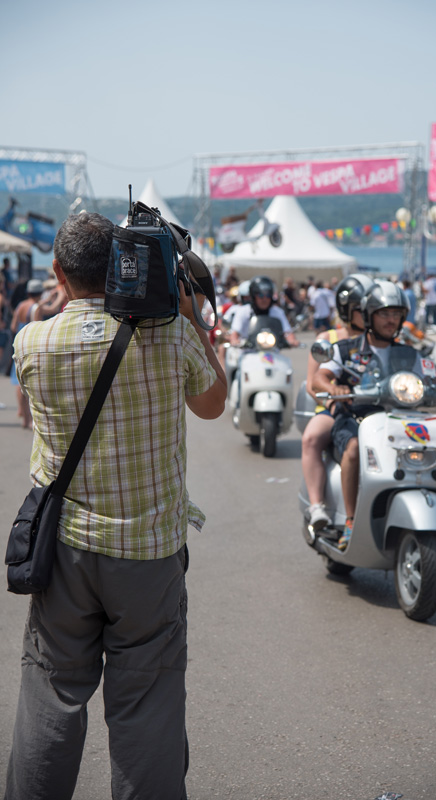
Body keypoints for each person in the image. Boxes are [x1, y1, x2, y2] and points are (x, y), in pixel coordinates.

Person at [5, 212, 227, 800]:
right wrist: (190, 316)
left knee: (52, 693)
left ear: (57, 271)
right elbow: (212, 406)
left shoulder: (30, 343)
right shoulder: (171, 335)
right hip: (149, 556)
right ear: (126, 266)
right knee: (148, 705)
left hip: (64, 554)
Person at [312, 281, 436, 551]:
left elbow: (435, 376)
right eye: (384, 313)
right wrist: (334, 387)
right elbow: (319, 378)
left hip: (398, 418)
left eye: (396, 314)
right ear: (369, 315)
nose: (391, 320)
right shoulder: (346, 349)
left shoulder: (410, 353)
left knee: (434, 441)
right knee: (354, 449)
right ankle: (350, 519)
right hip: (355, 417)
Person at [302, 274, 374, 530]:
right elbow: (313, 383)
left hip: (373, 408)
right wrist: (334, 398)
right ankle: (317, 505)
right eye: (360, 309)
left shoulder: (376, 339)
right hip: (334, 408)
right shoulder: (328, 338)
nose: (367, 314)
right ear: (346, 309)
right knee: (311, 438)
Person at [10, 278, 44, 429]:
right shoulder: (36, 307)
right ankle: (30, 420)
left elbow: (13, 326)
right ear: (40, 293)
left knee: (18, 381)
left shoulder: (20, 305)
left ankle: (23, 417)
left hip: (18, 343)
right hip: (30, 344)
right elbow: (37, 329)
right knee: (29, 382)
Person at [230, 274, 299, 347]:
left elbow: (287, 332)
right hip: (247, 351)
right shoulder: (243, 311)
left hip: (272, 352)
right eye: (261, 295)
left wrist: (292, 340)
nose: (264, 299)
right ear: (253, 296)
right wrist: (235, 340)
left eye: (268, 295)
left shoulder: (277, 312)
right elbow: (235, 332)